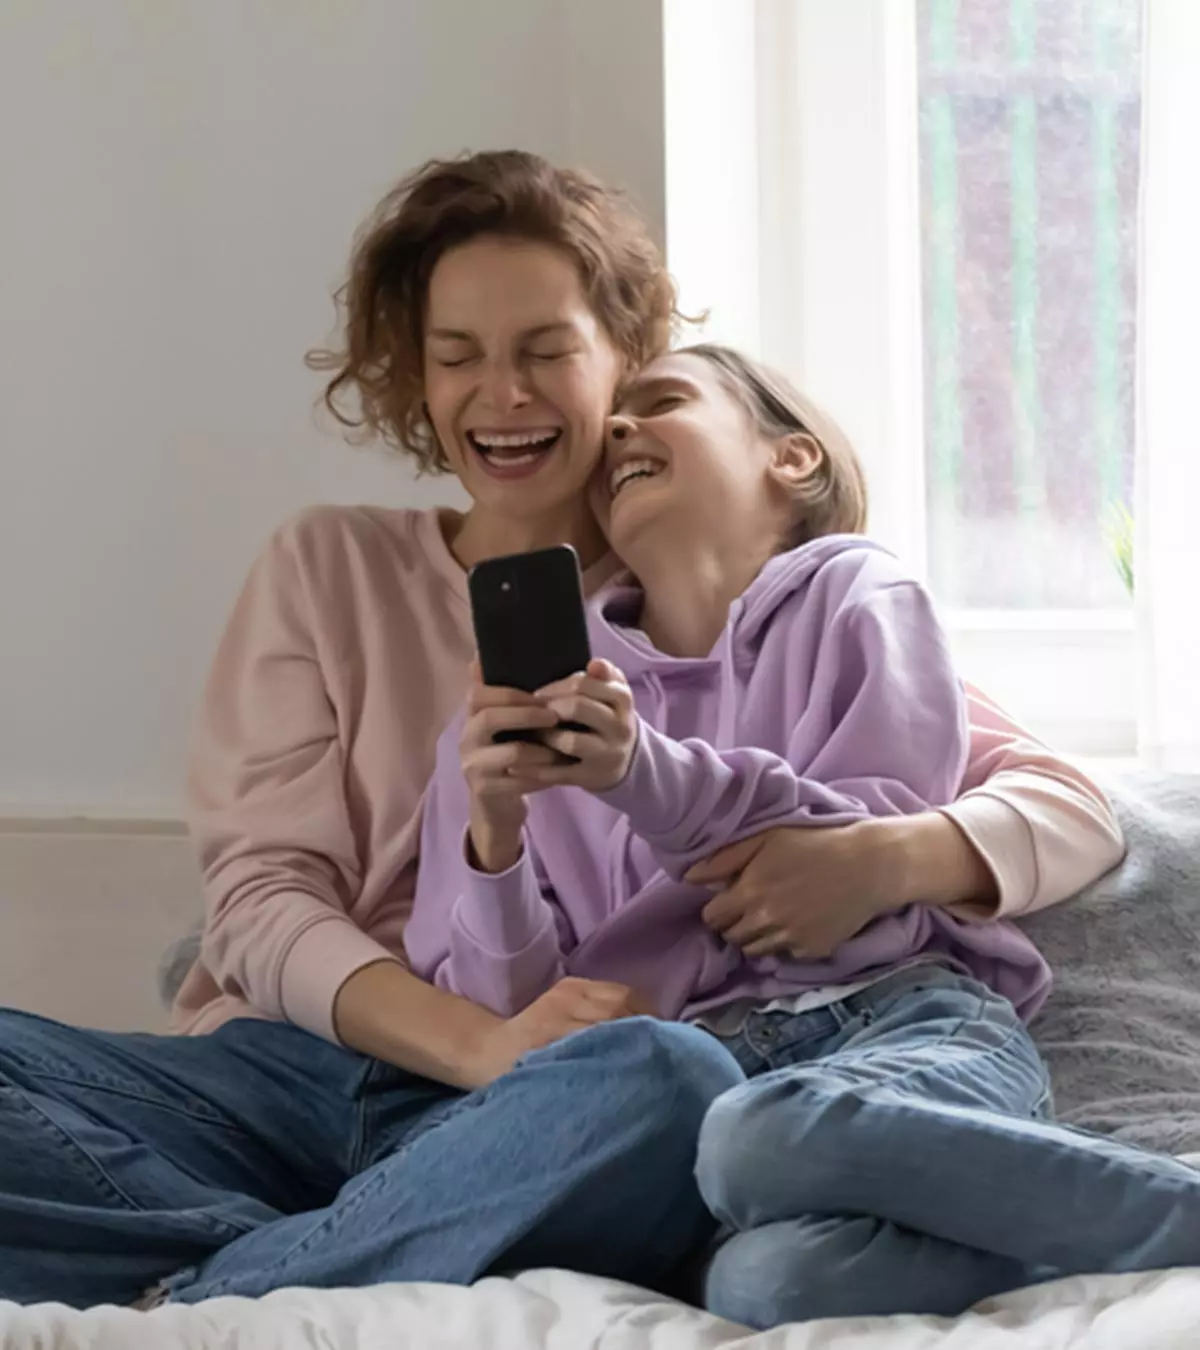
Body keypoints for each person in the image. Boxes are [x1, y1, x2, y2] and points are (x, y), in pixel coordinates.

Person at [0, 151, 1122, 1310]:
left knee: (660, 1077)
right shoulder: (329, 564)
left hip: (591, 1099)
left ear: (621, 364)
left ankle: (249, 1274)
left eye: (546, 352)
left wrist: (883, 858)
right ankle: (363, 1234)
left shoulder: (721, 605)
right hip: (313, 1082)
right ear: (417, 385)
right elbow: (259, 903)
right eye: (458, 358)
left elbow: (1059, 802)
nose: (505, 394)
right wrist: (480, 1046)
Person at [405, 343, 1200, 1329]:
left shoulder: (853, 595)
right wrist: (495, 838)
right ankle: (1104, 1236)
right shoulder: (540, 705)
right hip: (715, 1098)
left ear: (793, 460)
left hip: (899, 1030)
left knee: (756, 1137)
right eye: (613, 420)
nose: (617, 429)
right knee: (766, 1285)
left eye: (662, 403)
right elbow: (511, 1029)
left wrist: (641, 773)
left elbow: (864, 852)